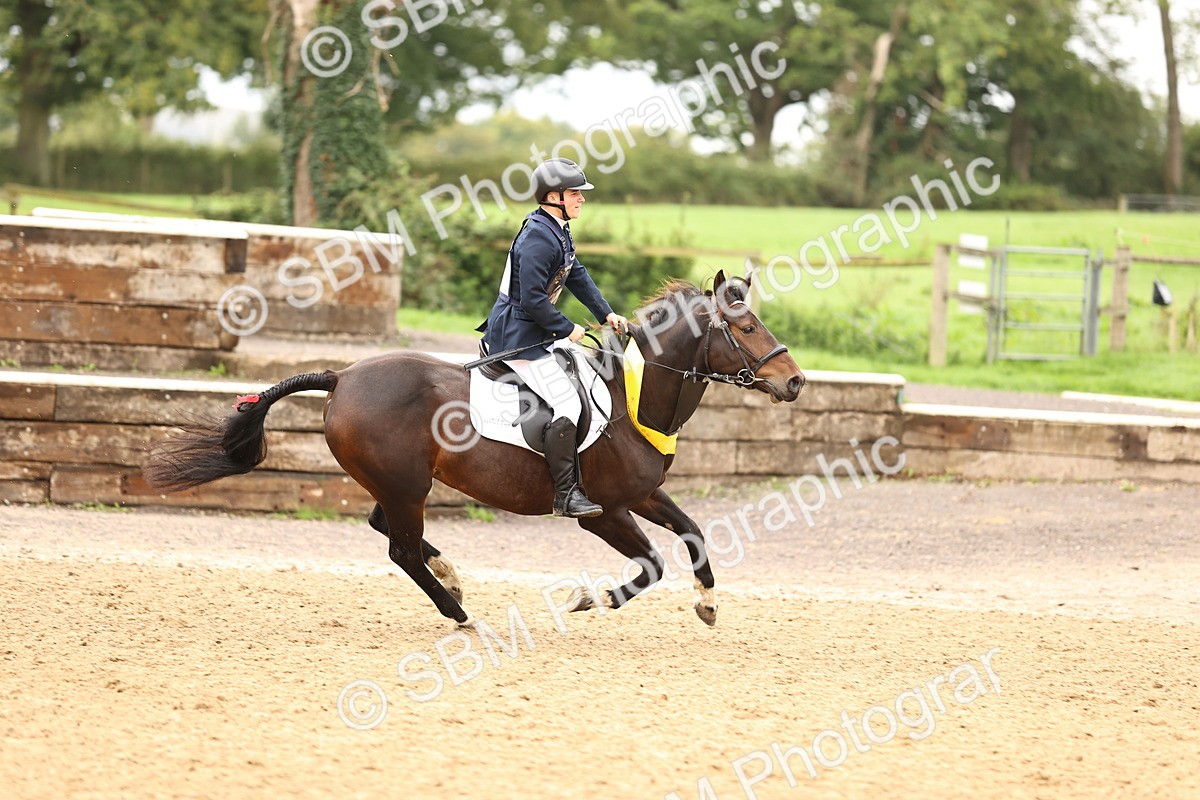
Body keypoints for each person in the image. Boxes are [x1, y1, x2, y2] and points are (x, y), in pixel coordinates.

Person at [477, 158, 628, 518]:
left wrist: (605, 313)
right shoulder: (537, 237)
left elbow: (577, 274)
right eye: (576, 193)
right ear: (554, 196)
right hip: (517, 337)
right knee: (568, 403)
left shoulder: (555, 228)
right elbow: (531, 299)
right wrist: (567, 328)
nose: (582, 199)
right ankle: (566, 494)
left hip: (536, 331)